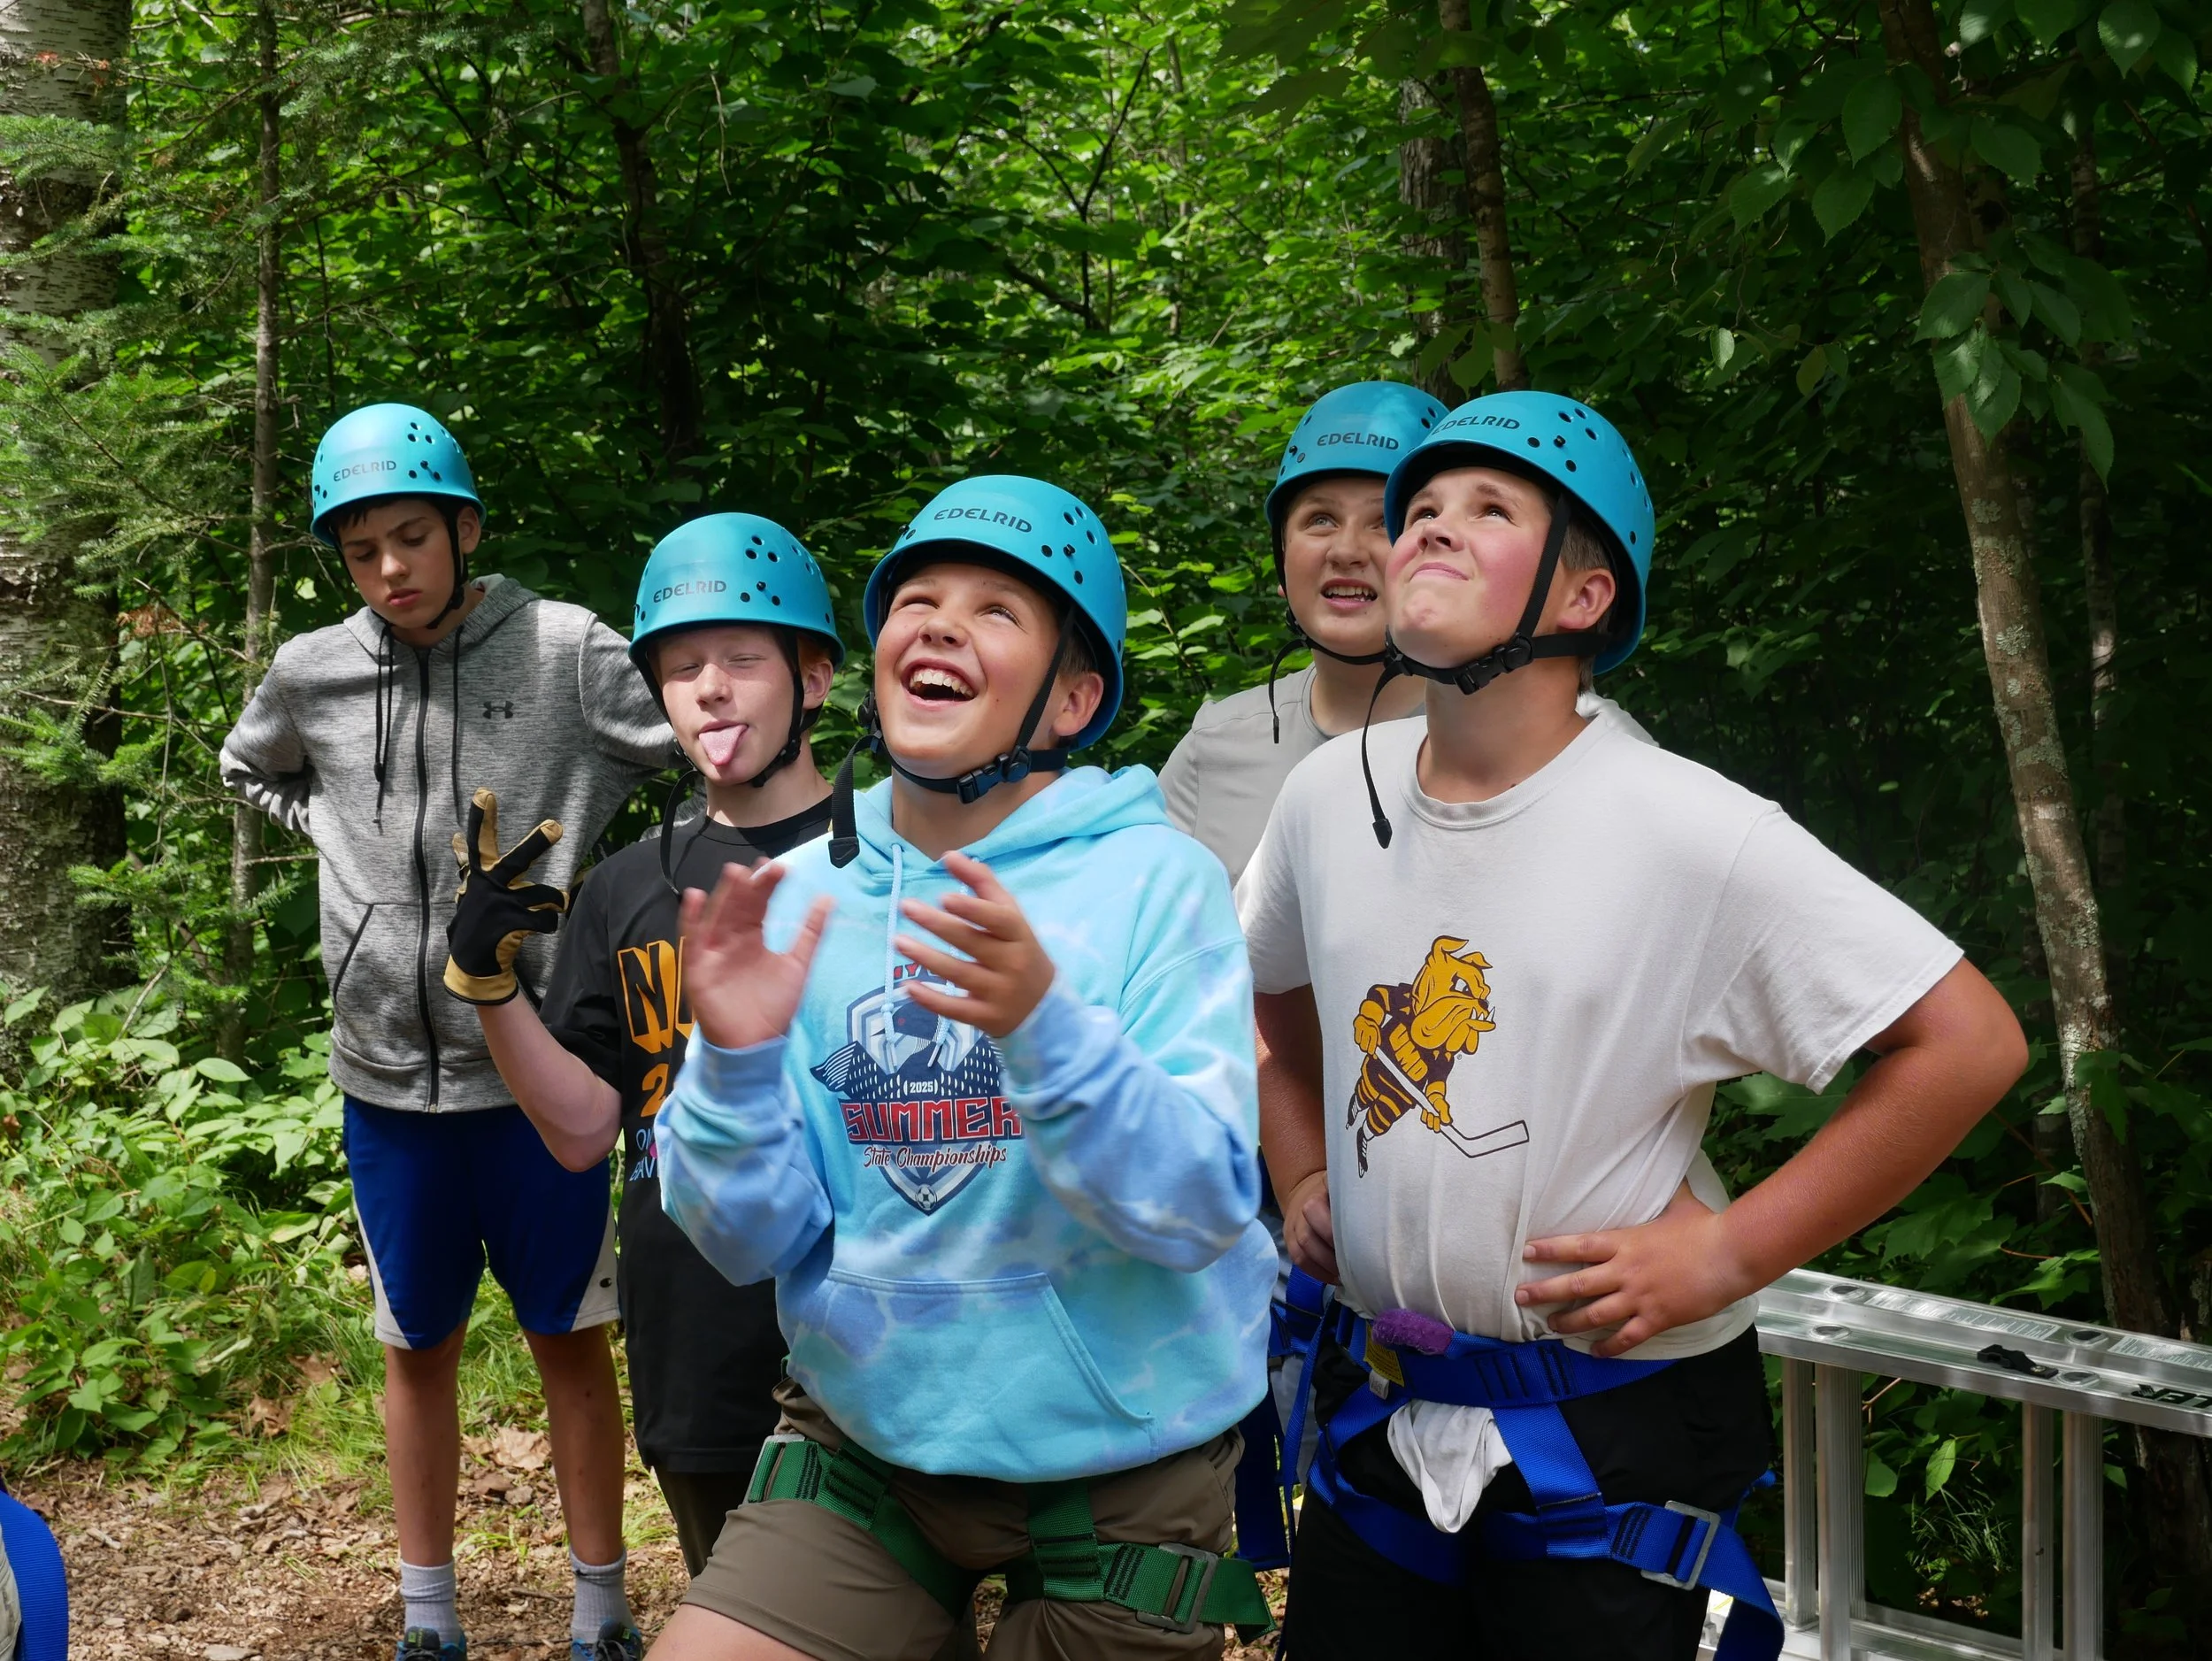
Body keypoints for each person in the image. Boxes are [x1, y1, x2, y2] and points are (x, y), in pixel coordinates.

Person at [1235, 390, 2029, 1660]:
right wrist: (1302, 1168)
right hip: (1380, 1408)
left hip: (1608, 1427)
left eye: (1487, 510)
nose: (1427, 530)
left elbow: (1968, 1042)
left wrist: (1728, 1255)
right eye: (1420, 510)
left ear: (1584, 596)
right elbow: (1270, 997)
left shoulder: (1681, 828)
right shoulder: (1329, 801)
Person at [646, 476, 1279, 1661]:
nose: (938, 623)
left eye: (996, 611)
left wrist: (1043, 1027)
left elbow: (1198, 1206)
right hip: (869, 1438)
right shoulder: (809, 899)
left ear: (1071, 699)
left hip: (1126, 1449)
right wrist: (729, 1062)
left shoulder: (1157, 884)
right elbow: (746, 1241)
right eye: (918, 599)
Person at [219, 404, 674, 1661]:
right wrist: (344, 854)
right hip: (386, 1088)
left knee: (571, 1342)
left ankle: (601, 1609)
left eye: (412, 538)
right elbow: (249, 767)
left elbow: (697, 749)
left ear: (465, 526)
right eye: (360, 552)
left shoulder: (569, 651)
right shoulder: (313, 671)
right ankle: (429, 1619)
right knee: (416, 1344)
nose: (389, 571)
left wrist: (621, 893)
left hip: (542, 1085)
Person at [445, 513, 843, 1580]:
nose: (710, 686)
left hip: (872, 1338)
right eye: (681, 665)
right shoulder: (627, 888)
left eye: (743, 658)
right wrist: (488, 984)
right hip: (700, 1340)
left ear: (814, 677)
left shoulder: (887, 859)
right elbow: (582, 1129)